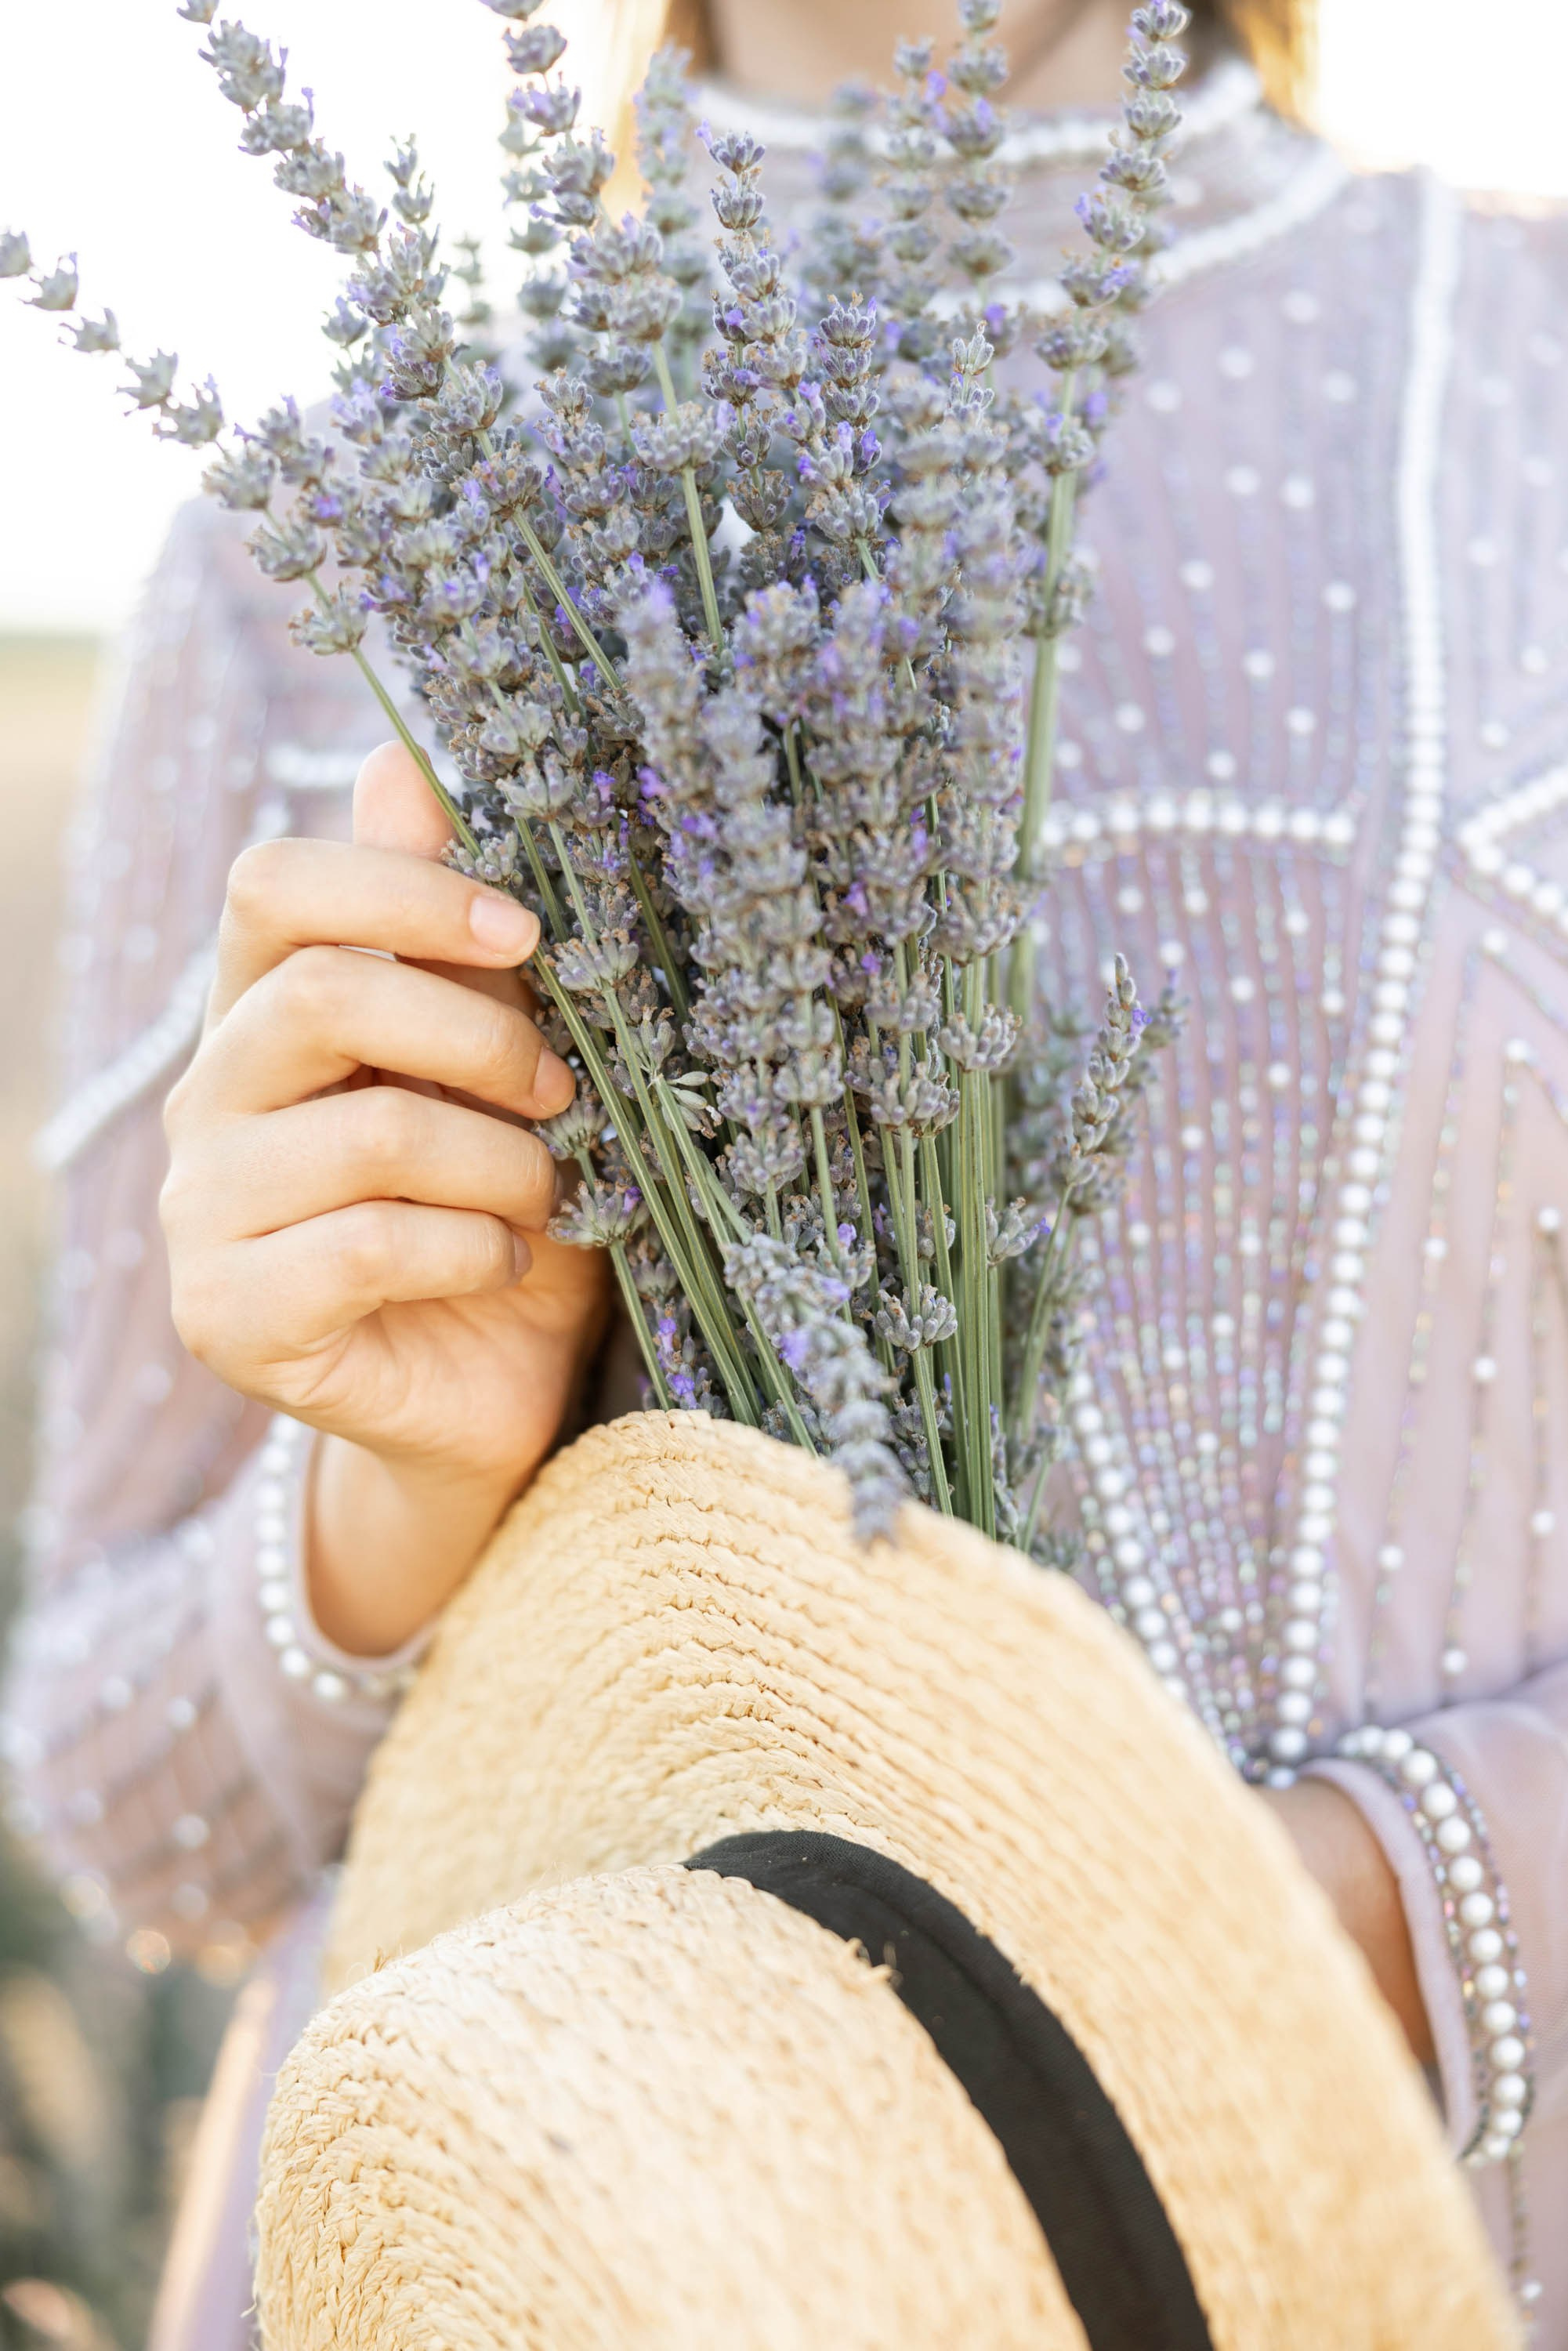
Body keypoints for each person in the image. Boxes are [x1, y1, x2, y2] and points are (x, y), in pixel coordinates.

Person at [5, 0, 1566, 2335]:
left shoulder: (1521, 375)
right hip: (596, 2266)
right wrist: (393, 1503)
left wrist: (1287, 1920)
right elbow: (125, 1801)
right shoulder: (309, 533)